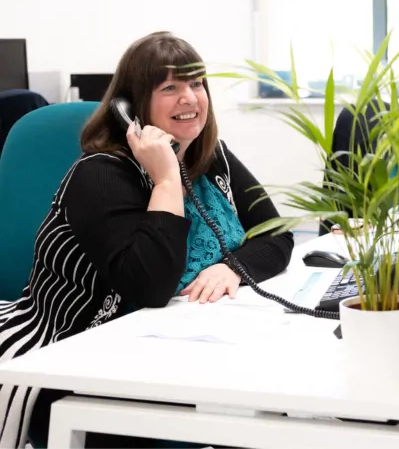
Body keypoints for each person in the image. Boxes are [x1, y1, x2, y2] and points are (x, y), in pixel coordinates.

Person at [0, 31, 294, 448]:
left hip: (177, 344)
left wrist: (231, 266)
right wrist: (167, 178)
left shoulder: (213, 155)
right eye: (170, 88)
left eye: (196, 84)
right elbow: (150, 286)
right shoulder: (101, 174)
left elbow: (276, 234)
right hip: (70, 354)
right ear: (131, 107)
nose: (190, 99)